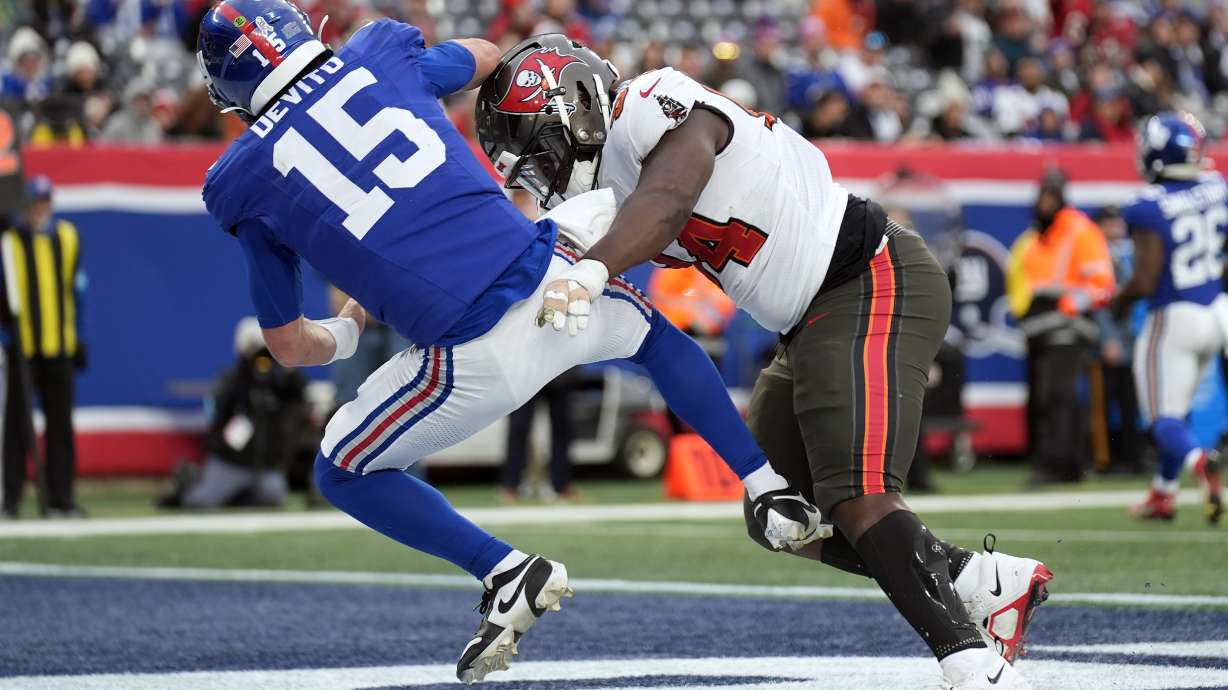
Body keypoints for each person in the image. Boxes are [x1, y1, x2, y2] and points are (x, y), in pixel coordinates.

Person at [195, 3, 823, 682]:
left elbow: (290, 346)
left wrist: (348, 330)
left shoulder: (242, 180)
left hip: (471, 356)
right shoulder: (376, 52)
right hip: (549, 277)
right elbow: (489, 55)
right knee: (653, 339)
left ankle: (505, 570)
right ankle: (768, 488)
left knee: (341, 468)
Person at [477, 36, 1049, 690]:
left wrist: (592, 271)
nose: (539, 172)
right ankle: (982, 580)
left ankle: (973, 668)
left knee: (856, 497)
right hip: (809, 321)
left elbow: (666, 202)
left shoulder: (651, 102)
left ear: (574, 108)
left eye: (538, 149)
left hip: (869, 276)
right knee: (783, 514)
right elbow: (554, 248)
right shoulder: (609, 182)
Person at [1110, 111, 1224, 524]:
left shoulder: (1147, 205)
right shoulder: (1216, 187)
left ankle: (1199, 464)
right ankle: (1163, 493)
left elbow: (1144, 279)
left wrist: (1116, 301)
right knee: (1181, 406)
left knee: (1162, 419)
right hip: (1216, 311)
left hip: (1174, 317)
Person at [1006, 169, 1115, 485]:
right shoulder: (1037, 237)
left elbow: (1103, 285)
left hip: (1068, 329)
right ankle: (1060, 464)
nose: (1044, 203)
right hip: (1040, 329)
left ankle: (1060, 465)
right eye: (1041, 196)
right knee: (1045, 399)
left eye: (1050, 197)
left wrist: (1072, 306)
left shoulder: (1081, 231)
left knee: (1058, 398)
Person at [0, 175, 87, 519]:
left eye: (44, 203)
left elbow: (78, 292)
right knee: (16, 427)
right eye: (33, 204)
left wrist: (78, 337)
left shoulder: (67, 238)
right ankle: (11, 498)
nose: (38, 211)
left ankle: (60, 498)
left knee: (61, 426)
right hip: (21, 349)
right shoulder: (8, 242)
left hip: (58, 346)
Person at [165, 317, 307, 509]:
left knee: (273, 497)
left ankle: (236, 496)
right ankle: (189, 482)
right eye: (257, 349)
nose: (261, 357)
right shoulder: (232, 379)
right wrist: (246, 371)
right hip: (230, 462)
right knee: (200, 502)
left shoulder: (278, 382)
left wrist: (286, 364)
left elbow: (297, 393)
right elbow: (217, 410)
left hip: (265, 466)